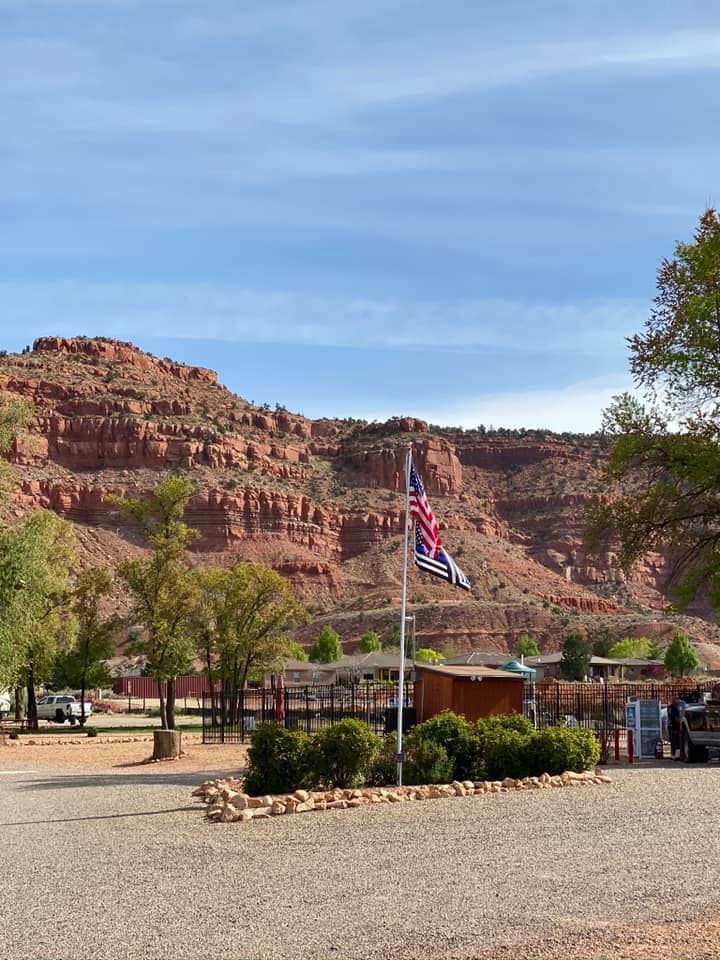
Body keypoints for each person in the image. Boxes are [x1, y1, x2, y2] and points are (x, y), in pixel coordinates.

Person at [667, 696, 682, 760]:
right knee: (676, 741)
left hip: (669, 725)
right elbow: (676, 718)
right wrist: (680, 724)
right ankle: (676, 755)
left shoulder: (669, 707)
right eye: (677, 700)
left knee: (672, 741)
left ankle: (672, 754)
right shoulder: (675, 708)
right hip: (674, 726)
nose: (678, 701)